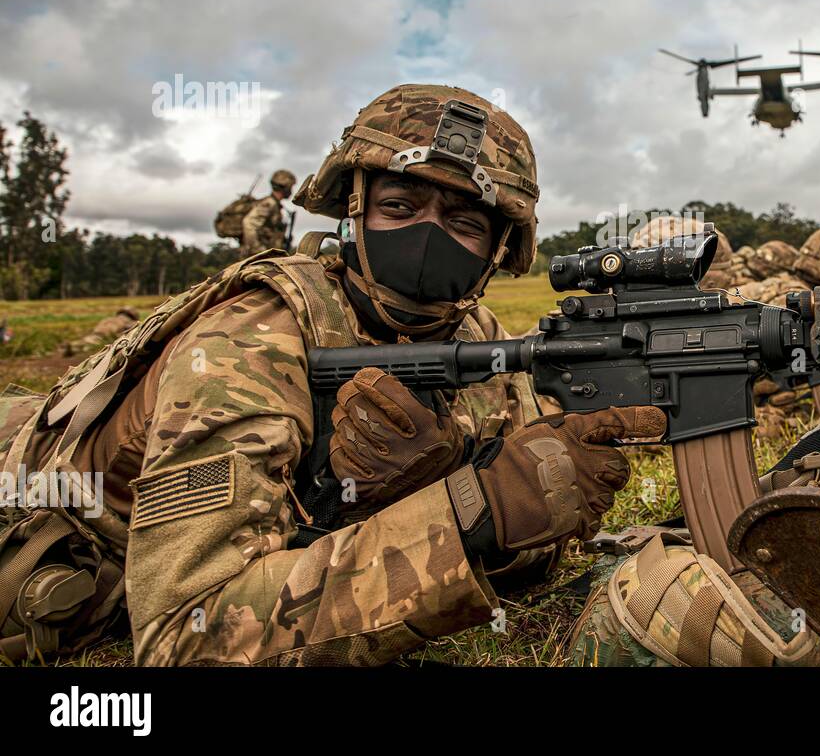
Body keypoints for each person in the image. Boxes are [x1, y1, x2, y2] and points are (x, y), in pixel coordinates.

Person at [1, 84, 663, 666]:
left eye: (463, 221)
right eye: (401, 206)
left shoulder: (483, 340)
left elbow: (516, 528)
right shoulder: (250, 342)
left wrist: (502, 490)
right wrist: (471, 507)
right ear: (354, 209)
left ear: (497, 250)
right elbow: (187, 637)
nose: (427, 234)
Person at [239, 168, 297, 256]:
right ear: (284, 187)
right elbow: (249, 223)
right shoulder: (269, 203)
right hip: (260, 258)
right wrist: (260, 252)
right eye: (290, 187)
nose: (291, 191)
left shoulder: (275, 205)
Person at [58, 307, 139, 359]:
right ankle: (72, 349)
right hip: (106, 337)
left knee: (84, 342)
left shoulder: (109, 319)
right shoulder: (129, 322)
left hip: (96, 334)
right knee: (89, 346)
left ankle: (72, 346)